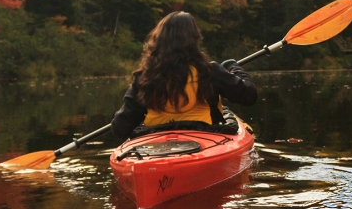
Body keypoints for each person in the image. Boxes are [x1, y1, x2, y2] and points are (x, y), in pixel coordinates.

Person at [111, 11, 258, 140]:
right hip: (205, 138)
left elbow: (120, 129)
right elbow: (249, 96)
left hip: (155, 143)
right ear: (194, 40)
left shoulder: (145, 78)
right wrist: (233, 67)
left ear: (159, 41)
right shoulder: (209, 71)